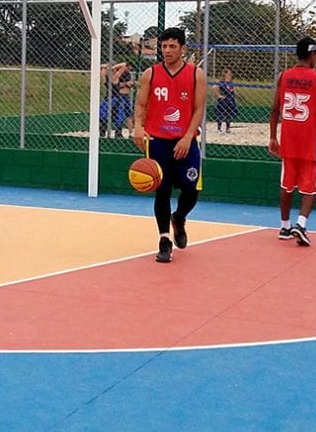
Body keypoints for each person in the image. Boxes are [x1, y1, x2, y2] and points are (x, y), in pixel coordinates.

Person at [132, 27, 207, 263]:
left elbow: (198, 109)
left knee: (191, 190)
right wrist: (137, 126)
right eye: (164, 46)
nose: (167, 50)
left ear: (183, 48)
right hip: (157, 141)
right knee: (161, 191)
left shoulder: (196, 74)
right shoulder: (150, 74)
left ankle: (180, 218)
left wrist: (187, 137)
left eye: (172, 46)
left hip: (185, 140)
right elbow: (141, 104)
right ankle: (164, 240)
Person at [268, 37, 316, 246]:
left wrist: (272, 136)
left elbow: (275, 108)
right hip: (310, 138)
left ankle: (285, 226)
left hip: (289, 137)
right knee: (311, 185)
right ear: (313, 54)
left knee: (286, 183)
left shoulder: (284, 75)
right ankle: (301, 223)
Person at [99, 61, 134, 138]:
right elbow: (123, 65)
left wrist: (108, 67)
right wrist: (110, 67)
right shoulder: (113, 77)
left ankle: (105, 132)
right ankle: (112, 132)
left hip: (111, 99)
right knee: (106, 114)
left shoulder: (110, 77)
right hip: (114, 99)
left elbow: (124, 65)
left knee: (116, 115)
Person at [214, 67, 237, 133]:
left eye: (230, 74)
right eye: (229, 73)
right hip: (223, 101)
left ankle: (228, 128)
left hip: (230, 100)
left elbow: (233, 90)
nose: (230, 75)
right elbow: (215, 87)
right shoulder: (221, 82)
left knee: (229, 115)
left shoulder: (231, 83)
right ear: (225, 74)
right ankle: (219, 128)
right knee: (221, 114)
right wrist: (219, 95)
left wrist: (236, 95)